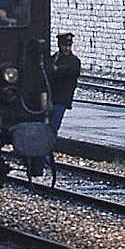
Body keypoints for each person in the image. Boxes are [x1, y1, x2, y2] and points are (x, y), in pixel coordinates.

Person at [34, 33, 82, 176]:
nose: (67, 48)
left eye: (69, 45)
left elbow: (66, 70)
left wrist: (55, 69)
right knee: (46, 127)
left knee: (52, 128)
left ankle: (45, 156)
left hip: (61, 99)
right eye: (64, 45)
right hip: (50, 98)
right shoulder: (54, 58)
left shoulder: (73, 61)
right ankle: (42, 155)